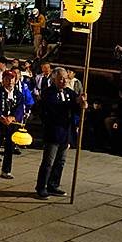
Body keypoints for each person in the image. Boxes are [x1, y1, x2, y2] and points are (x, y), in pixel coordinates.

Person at [35, 67, 87, 199]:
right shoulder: (48, 93)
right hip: (53, 131)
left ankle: (53, 184)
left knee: (61, 161)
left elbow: (75, 108)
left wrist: (82, 104)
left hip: (66, 131)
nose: (63, 81)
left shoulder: (70, 92)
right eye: (60, 79)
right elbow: (54, 108)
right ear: (54, 79)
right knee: (48, 162)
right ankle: (41, 186)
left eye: (65, 78)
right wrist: (73, 103)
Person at [0, 70, 25, 180]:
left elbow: (20, 108)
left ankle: (6, 170)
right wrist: (1, 116)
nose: (9, 81)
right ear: (3, 80)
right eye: (7, 79)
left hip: (12, 125)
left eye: (12, 79)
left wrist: (13, 117)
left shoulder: (18, 94)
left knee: (10, 148)